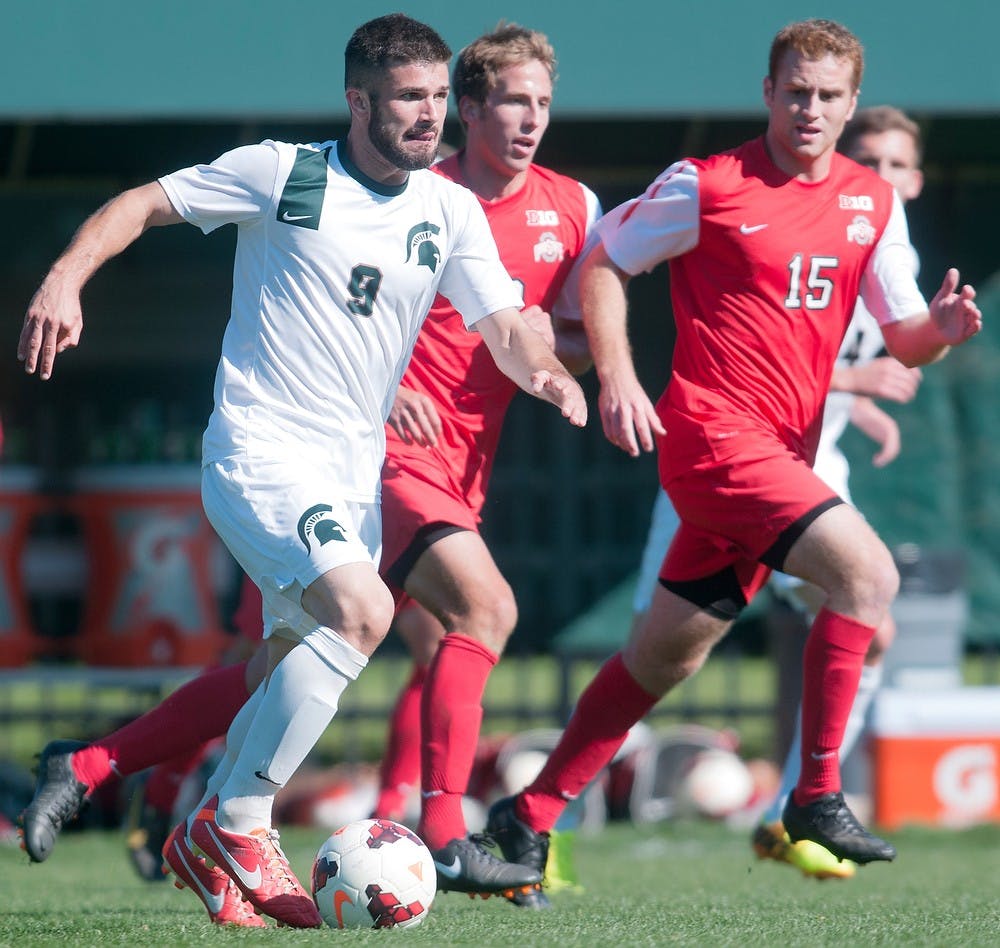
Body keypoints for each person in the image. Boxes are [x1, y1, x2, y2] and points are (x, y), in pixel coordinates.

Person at [17, 12, 586, 929]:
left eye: (440, 98)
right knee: (363, 613)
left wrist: (547, 369)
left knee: (287, 666)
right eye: (409, 98)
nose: (429, 116)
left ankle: (185, 831)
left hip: (350, 476)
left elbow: (503, 325)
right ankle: (241, 819)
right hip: (259, 449)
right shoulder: (284, 172)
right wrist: (65, 278)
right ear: (358, 100)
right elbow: (140, 203)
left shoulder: (449, 209)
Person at [483, 18, 980, 884]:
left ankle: (527, 816)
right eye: (796, 92)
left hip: (780, 458)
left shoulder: (872, 199)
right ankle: (814, 797)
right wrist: (618, 378)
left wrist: (937, 333)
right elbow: (602, 263)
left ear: (851, 102)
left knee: (663, 656)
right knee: (868, 577)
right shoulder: (709, 185)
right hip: (715, 443)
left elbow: (902, 338)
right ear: (767, 92)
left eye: (828, 96)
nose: (810, 109)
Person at [370, 23, 598, 909]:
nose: (530, 118)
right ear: (468, 109)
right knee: (481, 613)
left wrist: (569, 363)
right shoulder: (413, 197)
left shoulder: (572, 205)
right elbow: (344, 312)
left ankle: (105, 766)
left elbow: (566, 339)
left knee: (306, 655)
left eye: (542, 102)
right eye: (512, 100)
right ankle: (444, 831)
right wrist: (385, 388)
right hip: (385, 455)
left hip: (465, 469)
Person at [750, 104, 927, 878]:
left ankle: (791, 811)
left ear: (915, 181)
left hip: (816, 466)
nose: (880, 178)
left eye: (896, 165)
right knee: (661, 652)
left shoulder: (892, 249)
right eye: (870, 161)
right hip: (751, 457)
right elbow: (760, 351)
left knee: (872, 625)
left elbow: (888, 349)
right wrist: (856, 381)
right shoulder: (815, 224)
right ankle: (553, 817)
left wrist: (857, 406)